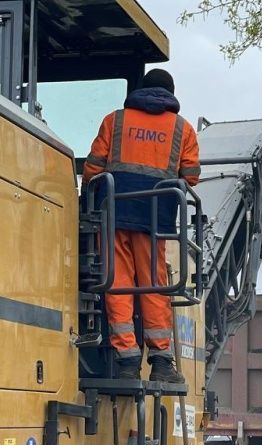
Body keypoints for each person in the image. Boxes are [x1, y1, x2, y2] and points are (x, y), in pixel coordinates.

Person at [82, 69, 201, 383]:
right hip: (155, 219)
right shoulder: (183, 129)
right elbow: (190, 176)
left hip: (113, 214)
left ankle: (127, 361)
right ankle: (161, 361)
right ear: (170, 93)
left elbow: (93, 168)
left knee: (117, 283)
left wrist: (89, 196)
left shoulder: (115, 121)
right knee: (153, 285)